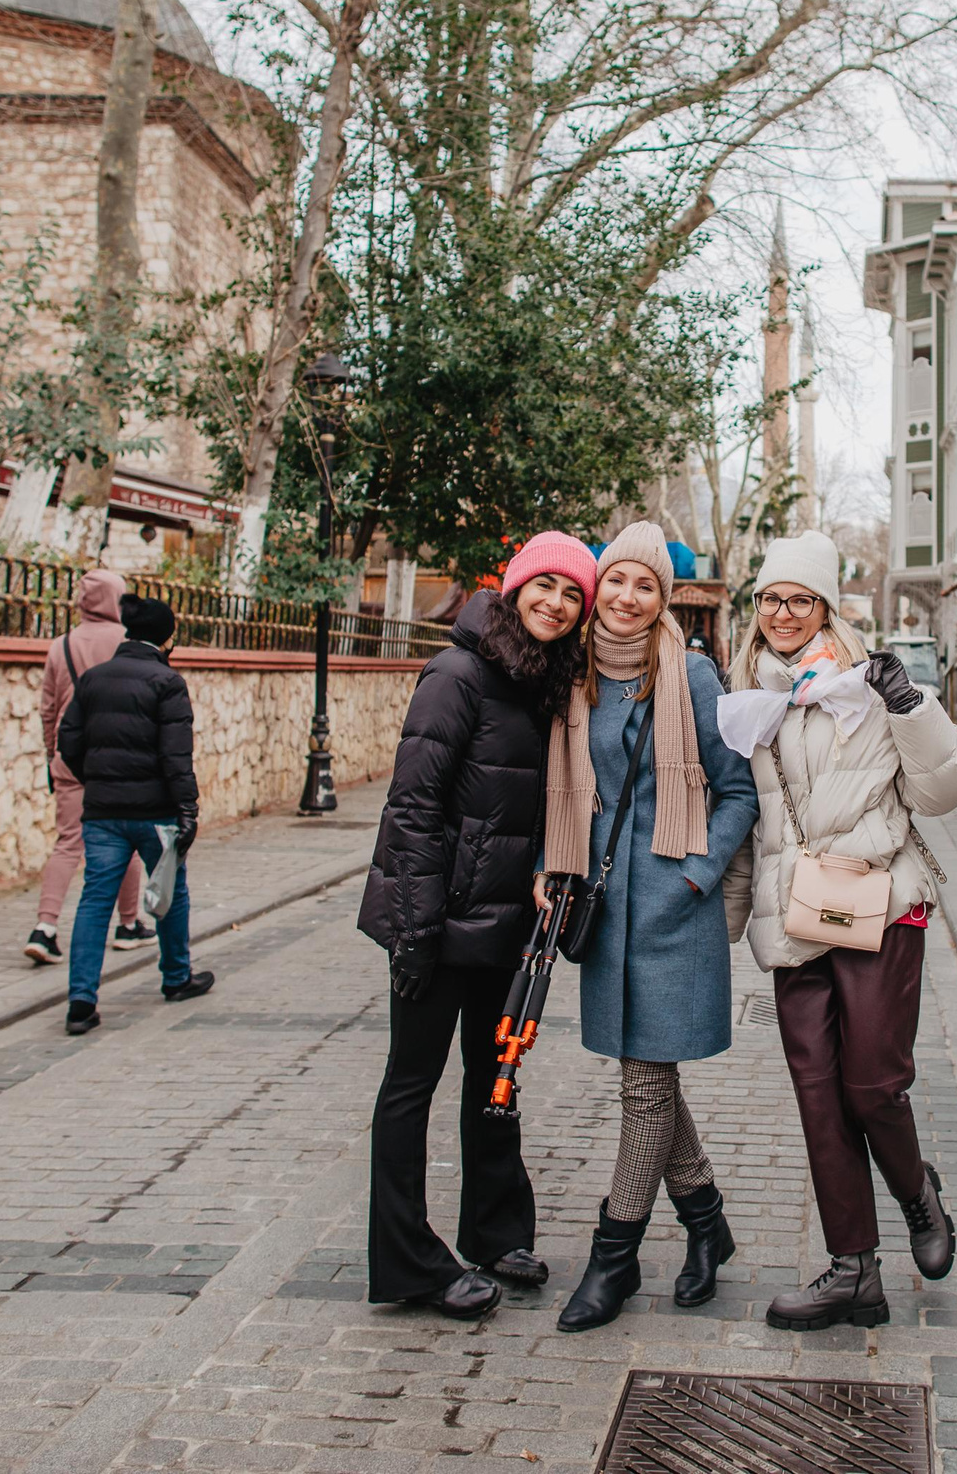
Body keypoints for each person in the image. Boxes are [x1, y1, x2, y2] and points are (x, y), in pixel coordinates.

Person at [721, 531, 957, 1332]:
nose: (784, 612)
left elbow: (950, 787)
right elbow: (744, 826)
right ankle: (852, 1270)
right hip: (796, 914)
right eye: (771, 598)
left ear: (827, 607)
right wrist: (726, 927)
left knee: (872, 1085)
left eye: (801, 599)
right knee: (819, 1098)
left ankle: (917, 1193)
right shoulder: (746, 700)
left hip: (879, 904)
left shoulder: (872, 689)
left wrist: (911, 703)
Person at [359, 533, 593, 1322]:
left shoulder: (539, 679)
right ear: (517, 586)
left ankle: (494, 1231)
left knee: (494, 1082)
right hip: (436, 919)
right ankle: (409, 1263)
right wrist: (417, 930)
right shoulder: (457, 672)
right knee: (409, 1087)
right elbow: (414, 808)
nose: (556, 604)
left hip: (501, 924)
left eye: (572, 595)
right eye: (546, 586)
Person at [550, 523, 759, 1333]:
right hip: (605, 913)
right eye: (617, 581)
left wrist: (697, 875)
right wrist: (551, 864)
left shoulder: (694, 675)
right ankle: (707, 1222)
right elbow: (558, 785)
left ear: (663, 597)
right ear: (597, 587)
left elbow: (738, 790)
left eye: (647, 585)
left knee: (643, 1085)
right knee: (651, 1080)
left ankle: (615, 1253)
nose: (629, 597)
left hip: (674, 910)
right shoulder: (574, 677)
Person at [53, 596, 217, 1035]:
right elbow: (176, 755)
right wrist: (188, 810)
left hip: (103, 813)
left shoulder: (93, 679)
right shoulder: (167, 682)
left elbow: (67, 740)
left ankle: (81, 1001)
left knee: (94, 900)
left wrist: (96, 778)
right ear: (166, 639)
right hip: (156, 813)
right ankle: (177, 976)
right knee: (170, 891)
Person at [28, 569, 147, 964]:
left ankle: (45, 928)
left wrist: (52, 755)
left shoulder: (60, 645)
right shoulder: (126, 643)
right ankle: (128, 924)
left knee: (67, 843)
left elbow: (48, 709)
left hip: (70, 757)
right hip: (116, 758)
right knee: (125, 841)